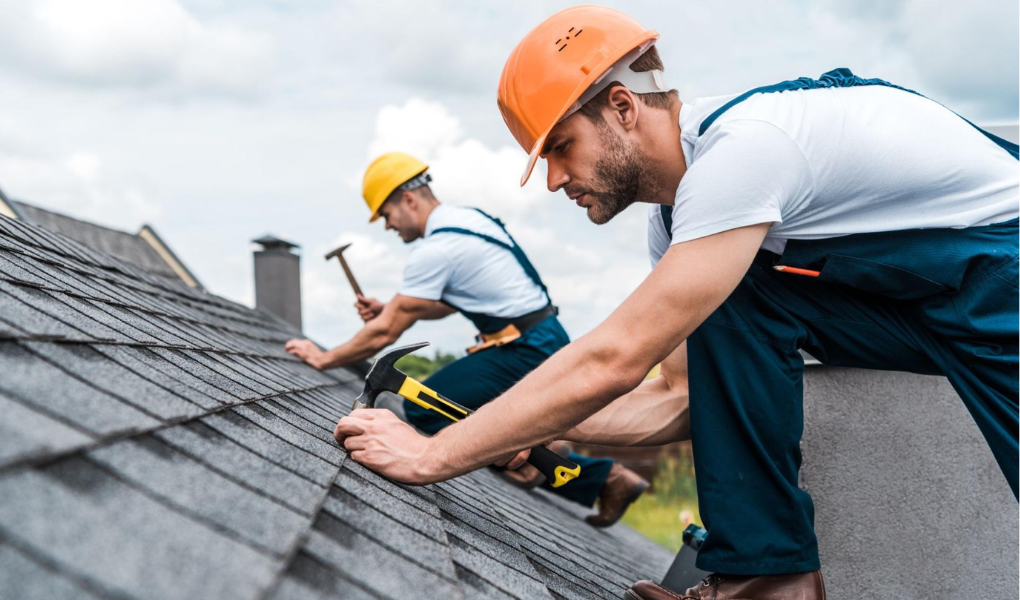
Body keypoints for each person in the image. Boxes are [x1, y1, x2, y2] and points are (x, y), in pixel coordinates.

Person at [333, 6, 1019, 599]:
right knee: (737, 296)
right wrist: (528, 431)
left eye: (561, 148)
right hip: (927, 302)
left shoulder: (742, 156)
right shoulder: (683, 230)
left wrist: (435, 454)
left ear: (623, 109)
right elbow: (684, 398)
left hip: (1002, 277)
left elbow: (615, 357)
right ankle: (768, 579)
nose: (552, 180)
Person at [286, 151, 648, 526]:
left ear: (408, 200)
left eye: (387, 215)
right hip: (539, 337)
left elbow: (386, 331)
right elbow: (443, 305)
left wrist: (323, 357)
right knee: (480, 418)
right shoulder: (468, 221)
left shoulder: (437, 247)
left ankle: (566, 466)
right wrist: (390, 308)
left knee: (423, 408)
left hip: (523, 348)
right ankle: (579, 468)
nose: (388, 227)